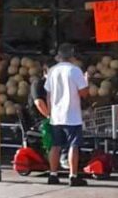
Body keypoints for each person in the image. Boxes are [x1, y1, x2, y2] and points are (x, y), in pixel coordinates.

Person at [44, 43, 89, 187]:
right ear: (72, 55)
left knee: (55, 145)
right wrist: (87, 81)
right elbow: (83, 93)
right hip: (72, 115)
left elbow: (48, 95)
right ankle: (73, 175)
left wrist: (50, 112)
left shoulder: (52, 71)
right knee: (73, 146)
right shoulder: (75, 71)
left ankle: (53, 174)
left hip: (56, 116)